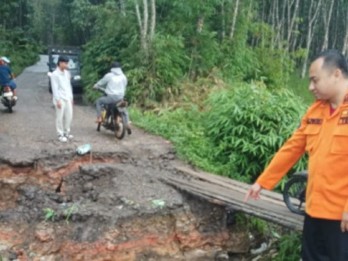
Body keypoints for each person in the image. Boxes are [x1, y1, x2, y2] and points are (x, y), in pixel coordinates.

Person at [245, 49, 348, 261]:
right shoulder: (315, 112)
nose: (311, 87)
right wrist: (262, 182)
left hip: (342, 218)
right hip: (314, 212)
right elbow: (291, 148)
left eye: (315, 80)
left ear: (336, 74)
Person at [93, 61, 131, 134]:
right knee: (124, 108)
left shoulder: (109, 75)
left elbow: (100, 83)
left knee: (99, 101)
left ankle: (99, 118)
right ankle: (127, 123)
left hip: (110, 97)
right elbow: (125, 86)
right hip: (120, 97)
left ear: (112, 68)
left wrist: (95, 86)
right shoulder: (123, 76)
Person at [50, 55, 74, 143]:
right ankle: (60, 134)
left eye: (67, 63)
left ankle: (66, 132)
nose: (67, 65)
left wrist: (71, 97)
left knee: (69, 116)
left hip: (67, 97)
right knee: (59, 117)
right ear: (60, 63)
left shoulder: (67, 73)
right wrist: (57, 100)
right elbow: (55, 88)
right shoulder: (55, 74)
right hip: (60, 98)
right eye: (65, 63)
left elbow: (69, 86)